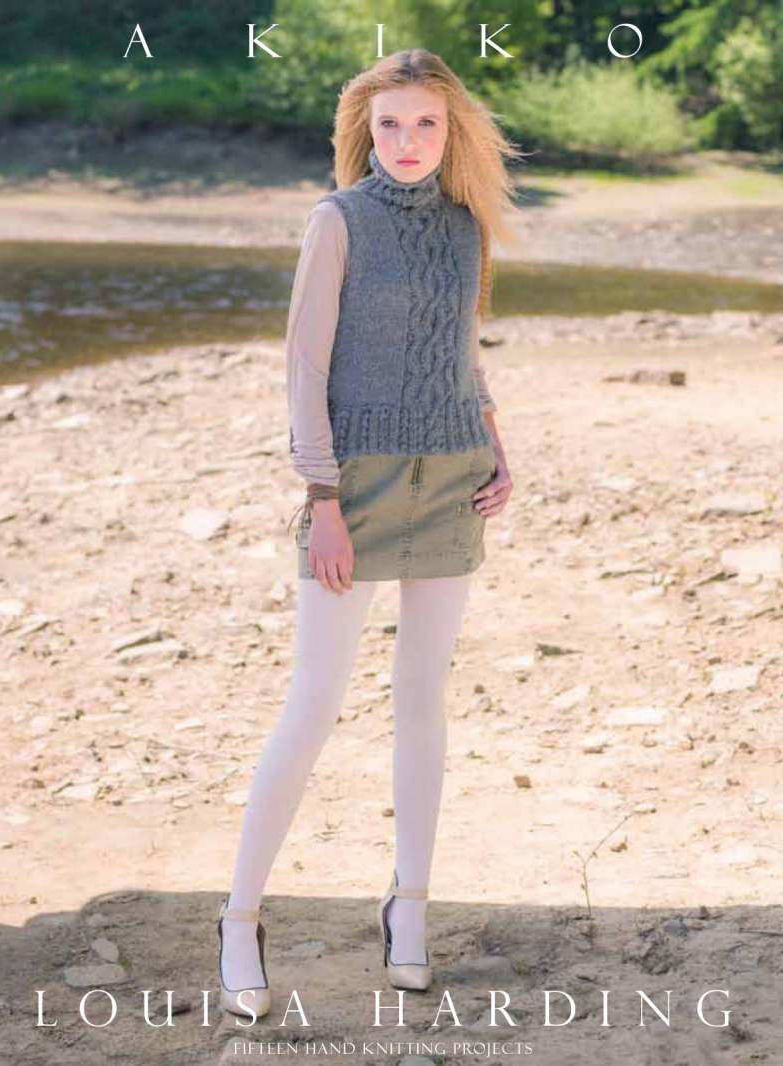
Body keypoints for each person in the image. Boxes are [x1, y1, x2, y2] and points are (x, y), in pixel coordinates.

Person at [217, 47, 521, 1019]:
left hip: (452, 477)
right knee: (313, 703)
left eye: (425, 123)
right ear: (365, 131)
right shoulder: (336, 220)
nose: (406, 141)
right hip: (354, 486)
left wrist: (496, 445)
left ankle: (410, 907)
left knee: (423, 701)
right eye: (389, 124)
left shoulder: (466, 226)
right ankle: (239, 918)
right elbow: (304, 366)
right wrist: (321, 498)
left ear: (450, 130)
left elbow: (460, 353)